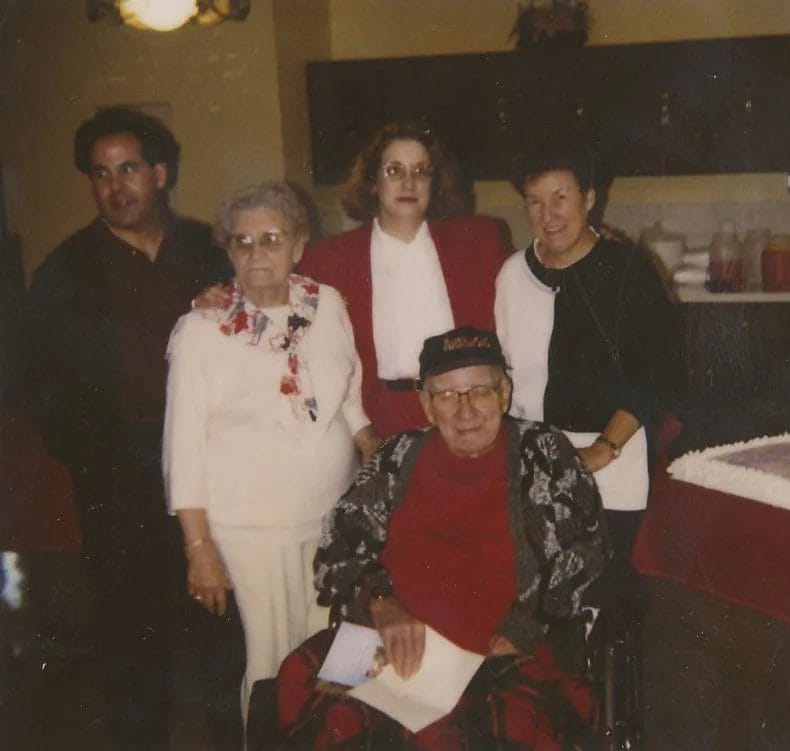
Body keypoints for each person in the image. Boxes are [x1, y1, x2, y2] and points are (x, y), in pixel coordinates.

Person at [276, 326, 608, 748]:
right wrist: (381, 603)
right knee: (304, 686)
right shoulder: (397, 456)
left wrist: (523, 628)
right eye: (447, 395)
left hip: (498, 651)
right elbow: (338, 542)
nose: (465, 410)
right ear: (426, 406)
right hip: (384, 637)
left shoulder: (544, 451)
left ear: (504, 393)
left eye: (480, 390)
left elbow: (585, 549)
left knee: (477, 735)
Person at [25, 107, 242, 751]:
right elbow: (42, 388)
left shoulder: (209, 251)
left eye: (129, 169)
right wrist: (101, 460)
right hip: (120, 486)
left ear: (161, 173)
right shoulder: (66, 270)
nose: (116, 186)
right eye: (100, 174)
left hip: (213, 478)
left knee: (224, 642)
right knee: (133, 656)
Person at [163, 182, 376, 724]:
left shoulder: (327, 305)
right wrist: (198, 548)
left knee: (339, 659)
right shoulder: (201, 330)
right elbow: (182, 447)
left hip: (331, 520)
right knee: (272, 667)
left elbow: (348, 394)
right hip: (251, 533)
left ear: (299, 245)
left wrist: (373, 450)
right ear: (228, 250)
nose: (257, 252)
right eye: (242, 241)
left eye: (272, 239)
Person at [495, 137, 680, 595]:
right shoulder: (512, 275)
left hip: (611, 464)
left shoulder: (628, 272)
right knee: (536, 594)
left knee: (602, 597)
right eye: (534, 202)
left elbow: (654, 377)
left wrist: (602, 449)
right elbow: (506, 370)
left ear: (589, 198)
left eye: (561, 197)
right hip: (535, 462)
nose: (549, 214)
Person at [297, 121, 508, 440]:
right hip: (376, 417)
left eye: (421, 171)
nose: (409, 183)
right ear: (373, 182)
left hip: (463, 413)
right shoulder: (329, 259)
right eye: (394, 171)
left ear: (434, 184)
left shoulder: (477, 242)